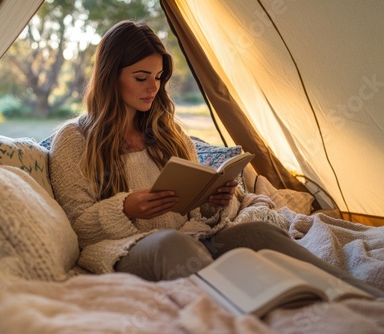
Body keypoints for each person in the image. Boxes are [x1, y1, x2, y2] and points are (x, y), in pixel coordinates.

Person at [50, 20, 383, 296]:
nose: (153, 87)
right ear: (111, 76)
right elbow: (78, 224)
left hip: (193, 237)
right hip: (126, 248)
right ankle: (242, 313)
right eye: (141, 77)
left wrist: (213, 201)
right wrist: (125, 207)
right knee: (170, 245)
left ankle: (359, 296)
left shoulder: (169, 133)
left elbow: (194, 211)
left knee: (256, 233)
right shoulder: (74, 140)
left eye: (158, 77)